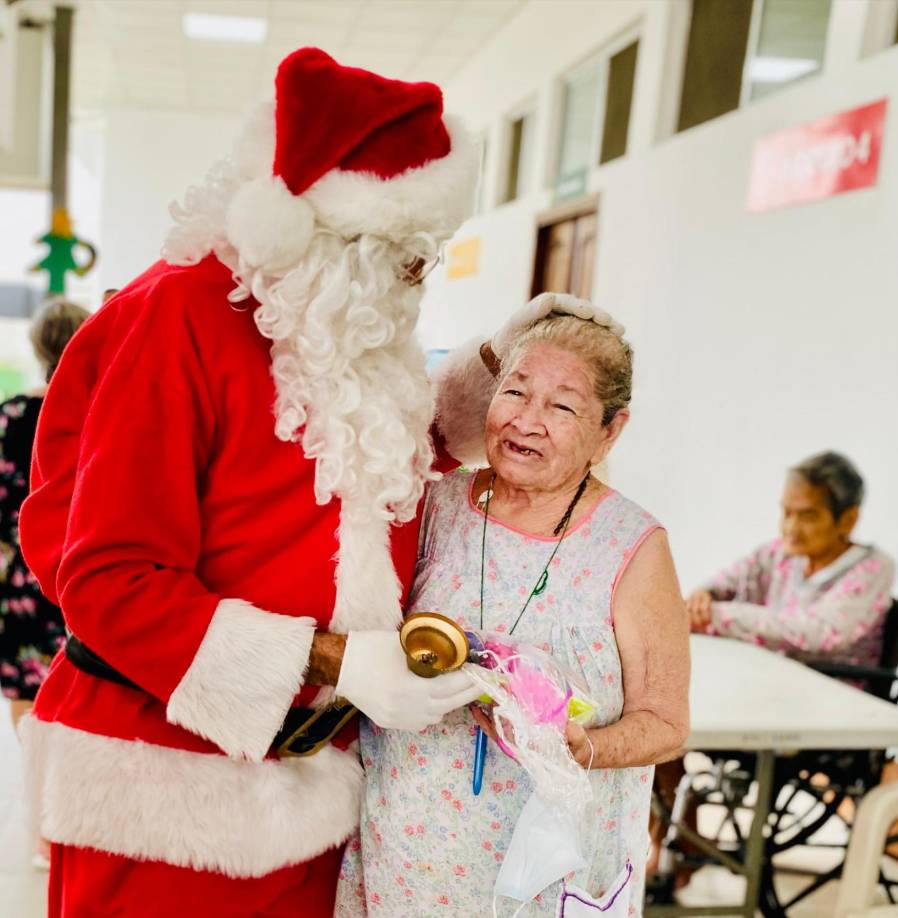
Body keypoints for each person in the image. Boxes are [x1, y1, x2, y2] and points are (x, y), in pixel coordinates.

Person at [17, 49, 607, 917]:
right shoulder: (173, 320)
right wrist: (338, 659)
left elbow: (364, 460)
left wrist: (500, 366)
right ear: (316, 231)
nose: (420, 275)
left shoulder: (328, 319)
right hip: (164, 799)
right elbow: (109, 583)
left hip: (310, 790)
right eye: (403, 249)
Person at [336, 301, 691, 917]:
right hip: (409, 863)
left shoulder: (631, 545)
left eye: (562, 405)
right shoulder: (432, 508)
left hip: (551, 874)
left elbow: (666, 723)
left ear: (610, 430)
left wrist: (584, 747)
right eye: (516, 391)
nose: (528, 420)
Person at [0, 300, 89, 866]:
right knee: (78, 703)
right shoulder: (97, 409)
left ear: (37, 348)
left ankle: (42, 828)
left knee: (29, 705)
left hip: (22, 580)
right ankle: (69, 821)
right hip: (82, 576)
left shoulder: (9, 416)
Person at [686, 451, 894, 665]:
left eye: (807, 516)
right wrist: (702, 597)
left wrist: (717, 616)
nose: (790, 527)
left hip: (831, 688)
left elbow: (820, 633)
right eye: (786, 512)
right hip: (769, 677)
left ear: (848, 520)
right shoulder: (778, 553)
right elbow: (725, 582)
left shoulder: (874, 568)